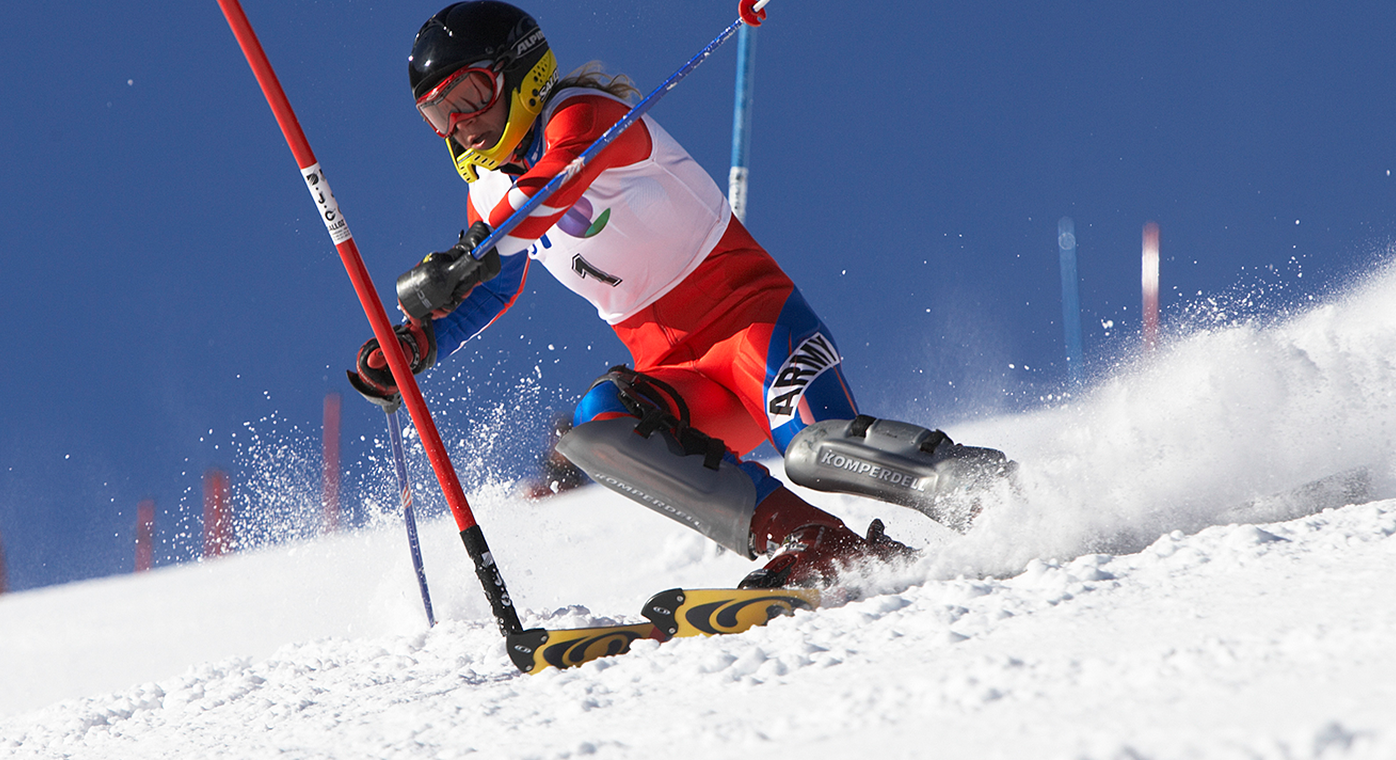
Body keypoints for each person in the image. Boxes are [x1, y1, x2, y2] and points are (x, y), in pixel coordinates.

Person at [351, 1, 1012, 589]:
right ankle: (812, 542)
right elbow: (496, 285)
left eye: (469, 94)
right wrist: (423, 341)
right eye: (438, 113)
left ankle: (987, 495)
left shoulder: (583, 115)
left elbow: (550, 192)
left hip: (755, 325)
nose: (457, 126)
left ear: (521, 73)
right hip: (675, 372)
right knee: (597, 430)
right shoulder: (490, 197)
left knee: (816, 452)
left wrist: (470, 253)